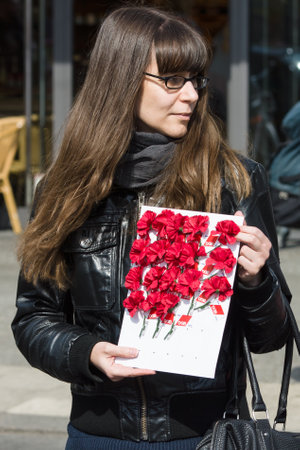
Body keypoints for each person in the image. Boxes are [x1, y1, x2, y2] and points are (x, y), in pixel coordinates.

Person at [12, 6, 291, 449]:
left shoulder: (233, 180)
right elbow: (33, 319)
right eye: (171, 80)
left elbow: (271, 338)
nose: (192, 96)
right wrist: (86, 352)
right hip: (98, 433)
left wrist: (257, 280)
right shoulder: (67, 190)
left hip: (205, 435)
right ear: (121, 80)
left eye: (195, 79)